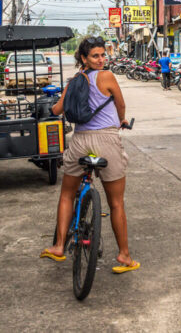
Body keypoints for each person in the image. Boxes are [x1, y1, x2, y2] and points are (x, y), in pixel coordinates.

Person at [40, 36, 139, 274]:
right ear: (84, 58)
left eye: (103, 55)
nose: (101, 59)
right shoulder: (107, 77)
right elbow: (121, 106)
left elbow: (56, 109)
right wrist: (122, 120)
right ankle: (124, 256)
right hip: (107, 141)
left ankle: (59, 246)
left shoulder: (74, 81)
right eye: (96, 56)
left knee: (67, 194)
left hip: (80, 141)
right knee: (116, 203)